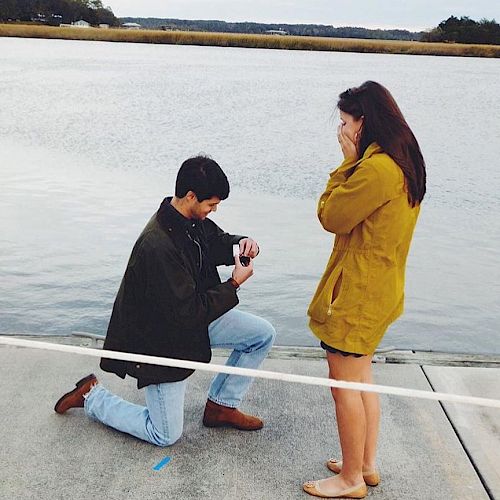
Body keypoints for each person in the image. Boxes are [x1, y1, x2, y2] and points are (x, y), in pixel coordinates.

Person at [54, 155, 276, 446]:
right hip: (161, 343)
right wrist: (234, 283)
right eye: (211, 204)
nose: (214, 210)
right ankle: (91, 396)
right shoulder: (158, 245)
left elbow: (213, 243)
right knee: (165, 435)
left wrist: (242, 243)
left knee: (261, 335)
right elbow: (189, 312)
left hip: (192, 320)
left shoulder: (190, 219)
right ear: (191, 196)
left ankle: (221, 405)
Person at [303, 81, 426, 499]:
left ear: (364, 123)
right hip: (381, 288)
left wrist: (346, 164)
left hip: (358, 294)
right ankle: (365, 464)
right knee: (362, 377)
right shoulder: (403, 161)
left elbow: (332, 216)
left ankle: (351, 479)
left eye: (344, 123)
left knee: (343, 384)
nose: (341, 131)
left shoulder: (375, 169)